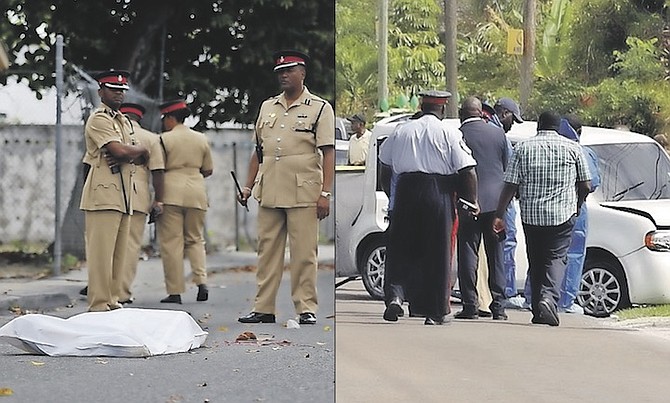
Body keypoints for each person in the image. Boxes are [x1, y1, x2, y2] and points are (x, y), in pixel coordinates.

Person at [237, 50, 334, 325]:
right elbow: (258, 151)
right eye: (280, 72)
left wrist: (325, 193)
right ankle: (263, 307)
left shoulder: (319, 107)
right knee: (267, 251)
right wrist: (247, 186)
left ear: (302, 73)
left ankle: (306, 307)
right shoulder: (268, 107)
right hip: (269, 189)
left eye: (289, 70)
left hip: (303, 191)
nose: (284, 75)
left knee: (304, 252)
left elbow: (327, 152)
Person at [379, 90, 478, 325]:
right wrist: (471, 200)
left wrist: (393, 195)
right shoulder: (448, 132)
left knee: (401, 248)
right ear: (442, 109)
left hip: (405, 190)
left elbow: (385, 166)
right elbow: (467, 169)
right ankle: (434, 312)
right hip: (438, 191)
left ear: (421, 106)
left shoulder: (401, 130)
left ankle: (395, 295)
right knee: (437, 251)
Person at [493, 110, 591, 326]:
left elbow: (510, 184)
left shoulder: (523, 148)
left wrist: (499, 214)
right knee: (556, 258)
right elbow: (586, 184)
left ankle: (538, 308)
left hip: (532, 216)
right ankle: (548, 298)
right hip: (562, 215)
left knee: (536, 259)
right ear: (558, 128)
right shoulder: (573, 149)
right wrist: (577, 204)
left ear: (539, 126)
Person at [79, 70, 149, 312]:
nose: (118, 94)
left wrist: (135, 152)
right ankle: (98, 303)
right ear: (101, 91)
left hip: (124, 195)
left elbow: (138, 158)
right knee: (101, 255)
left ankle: (112, 300)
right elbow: (119, 152)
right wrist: (134, 151)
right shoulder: (99, 119)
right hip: (103, 195)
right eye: (113, 89)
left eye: (122, 90)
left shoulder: (124, 121)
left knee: (119, 254)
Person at [455, 96, 508, 320]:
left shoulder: (457, 135)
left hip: (469, 202)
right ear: (480, 113)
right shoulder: (498, 133)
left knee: (468, 252)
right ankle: (499, 308)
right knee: (496, 255)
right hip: (496, 204)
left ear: (461, 114)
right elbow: (506, 165)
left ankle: (470, 305)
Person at [156, 99, 213, 304]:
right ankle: (201, 282)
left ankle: (175, 291)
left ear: (171, 118)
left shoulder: (163, 139)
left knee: (172, 243)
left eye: (165, 119)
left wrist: (158, 198)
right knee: (195, 239)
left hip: (170, 191)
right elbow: (208, 169)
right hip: (196, 191)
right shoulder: (201, 138)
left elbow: (158, 168)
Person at [116, 102, 165, 304]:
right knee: (130, 246)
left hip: (111, 192)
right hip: (138, 195)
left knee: (107, 243)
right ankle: (122, 293)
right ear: (140, 119)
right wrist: (158, 200)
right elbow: (158, 171)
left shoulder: (111, 134)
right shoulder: (151, 138)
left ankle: (102, 289)